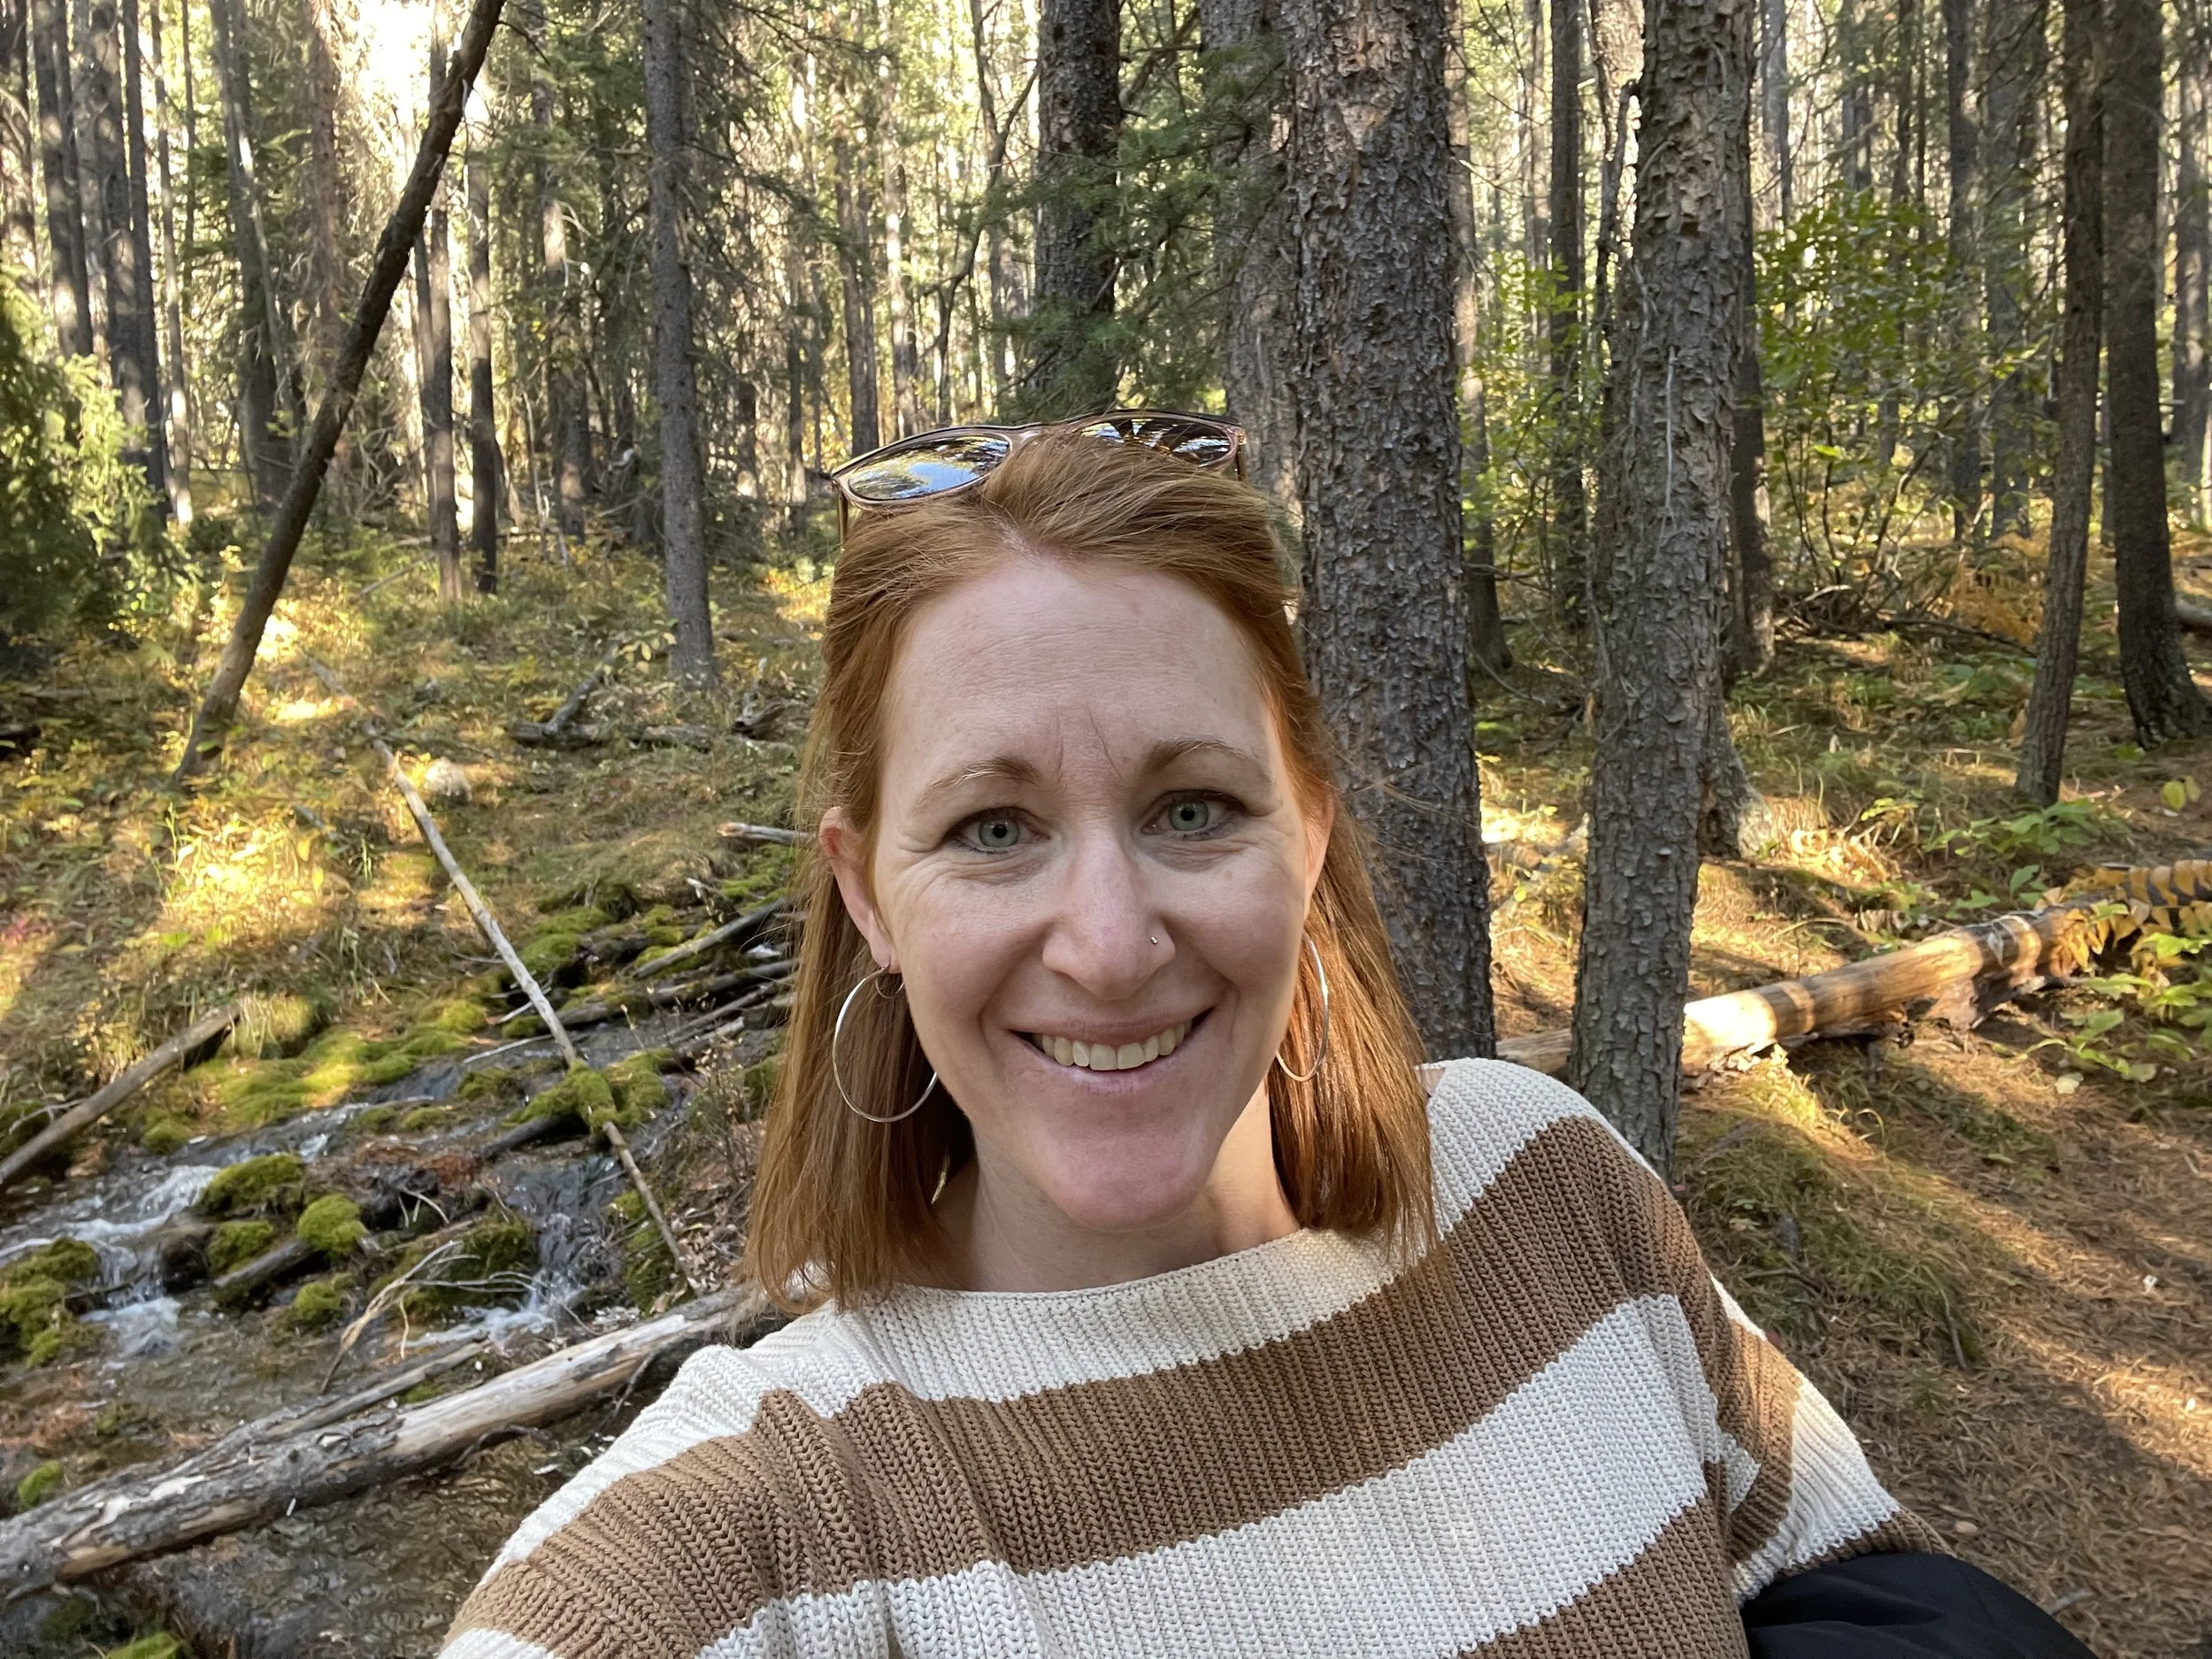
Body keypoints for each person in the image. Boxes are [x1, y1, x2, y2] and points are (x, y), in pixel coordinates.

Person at [444, 415, 2093, 1658]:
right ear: (866, 894)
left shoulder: (1543, 1191)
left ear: (1308, 832)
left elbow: (1856, 1594)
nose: (1106, 943)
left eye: (1193, 807)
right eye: (993, 829)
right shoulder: (777, 1514)